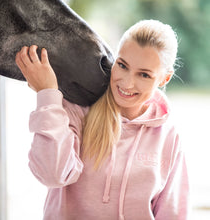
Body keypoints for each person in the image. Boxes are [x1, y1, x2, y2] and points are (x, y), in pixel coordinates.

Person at [15, 19, 190, 220]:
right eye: (122, 65)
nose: (127, 83)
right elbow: (51, 175)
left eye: (144, 75)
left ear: (164, 78)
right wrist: (47, 95)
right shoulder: (78, 109)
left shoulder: (168, 135)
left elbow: (173, 213)